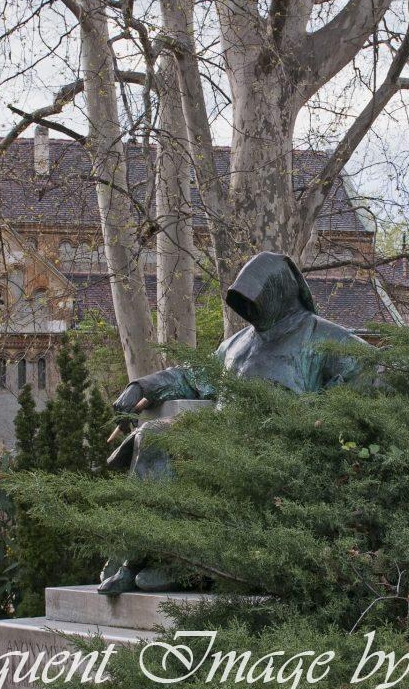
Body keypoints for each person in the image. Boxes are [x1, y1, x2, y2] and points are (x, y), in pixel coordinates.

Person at [98, 251, 370, 594]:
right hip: (220, 443)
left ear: (280, 293)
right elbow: (191, 377)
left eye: (254, 299)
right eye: (242, 301)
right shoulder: (236, 345)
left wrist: (318, 420)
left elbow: (370, 375)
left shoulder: (324, 338)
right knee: (154, 437)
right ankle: (144, 558)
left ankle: (186, 563)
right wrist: (142, 385)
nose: (248, 308)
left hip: (278, 455)